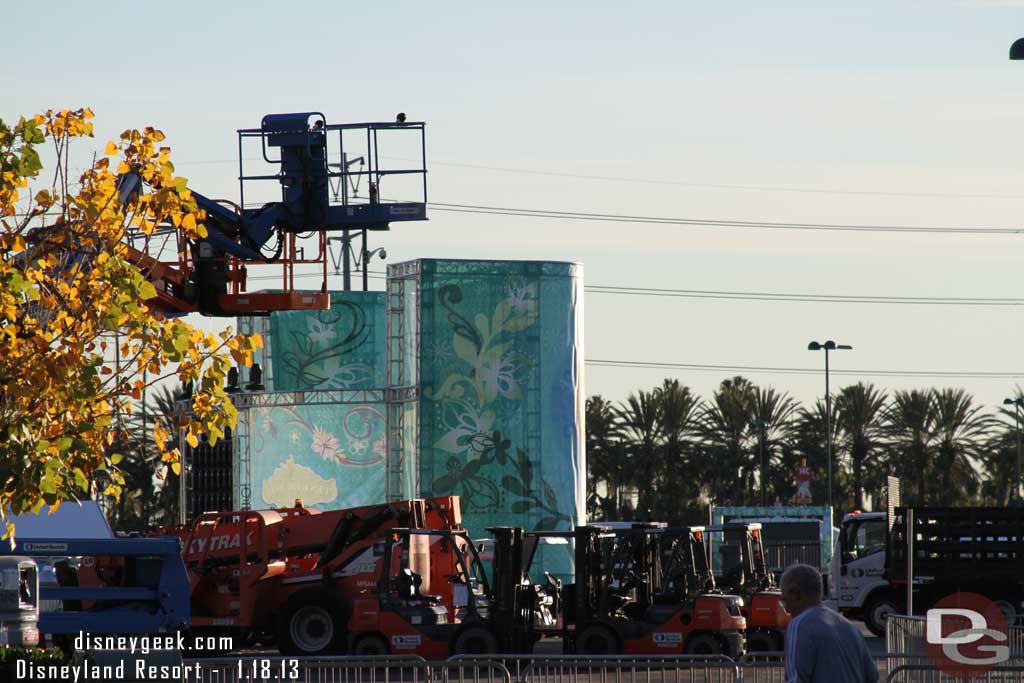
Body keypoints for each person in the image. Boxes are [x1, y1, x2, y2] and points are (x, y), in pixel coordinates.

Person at [781, 563, 878, 683]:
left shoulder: (800, 624)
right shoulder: (850, 628)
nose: (787, 610)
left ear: (795, 593)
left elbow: (795, 680)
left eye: (784, 601)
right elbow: (872, 678)